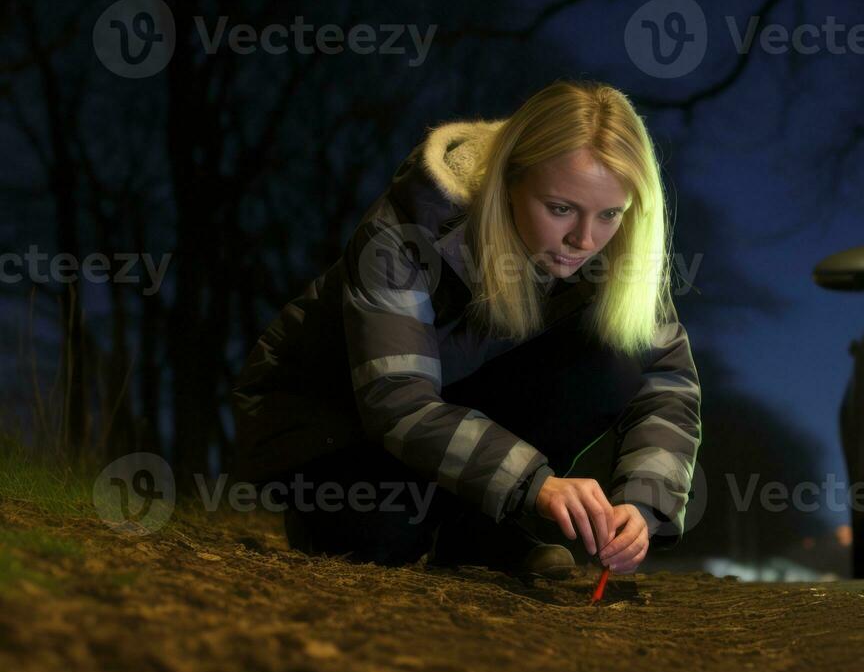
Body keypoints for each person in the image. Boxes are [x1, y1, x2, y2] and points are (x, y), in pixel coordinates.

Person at [230, 80, 702, 578]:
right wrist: (532, 483)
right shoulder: (405, 233)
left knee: (615, 356)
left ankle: (479, 533)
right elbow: (397, 399)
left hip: (449, 413)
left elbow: (666, 382)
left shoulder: (614, 248)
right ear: (509, 180)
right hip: (334, 422)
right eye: (560, 208)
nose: (583, 239)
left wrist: (644, 504)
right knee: (377, 538)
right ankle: (331, 515)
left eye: (610, 214)